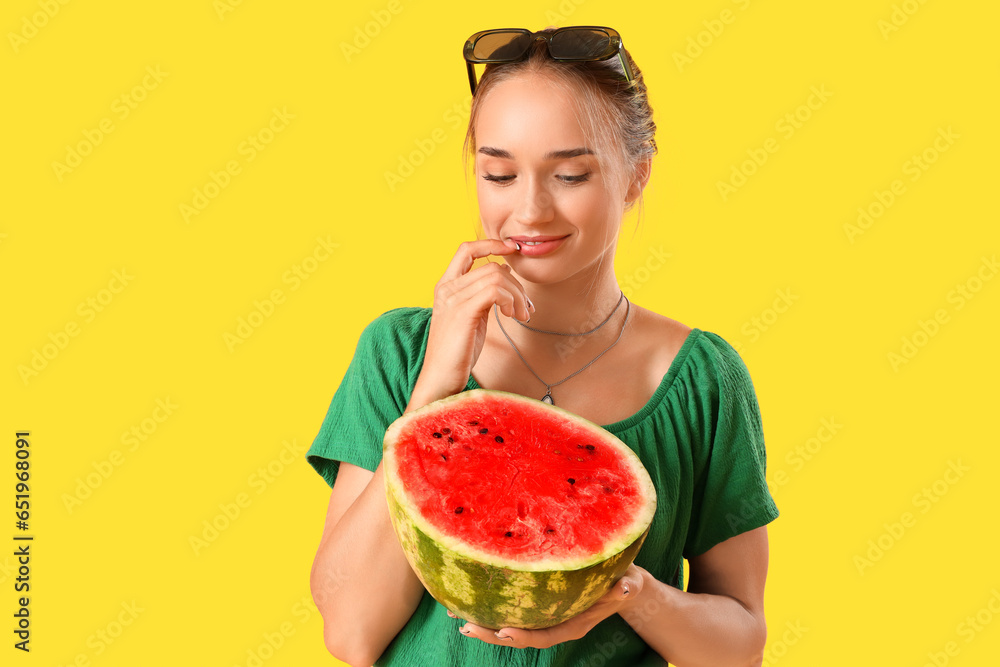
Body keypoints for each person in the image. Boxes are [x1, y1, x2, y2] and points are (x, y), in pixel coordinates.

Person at [307, 26, 779, 667]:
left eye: (570, 174)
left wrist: (629, 595)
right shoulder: (398, 352)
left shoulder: (699, 378)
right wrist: (435, 393)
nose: (529, 211)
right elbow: (350, 636)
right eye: (499, 174)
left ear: (635, 177)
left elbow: (740, 646)